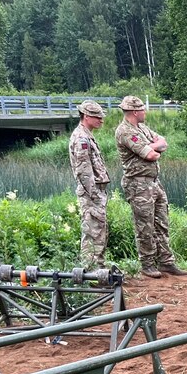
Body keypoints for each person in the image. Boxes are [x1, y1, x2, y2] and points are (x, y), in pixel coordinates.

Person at [115, 95, 187, 278]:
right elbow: (151, 155)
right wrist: (153, 148)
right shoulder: (125, 131)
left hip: (154, 182)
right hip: (138, 183)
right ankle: (147, 264)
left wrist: (152, 146)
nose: (145, 112)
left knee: (161, 222)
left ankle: (166, 262)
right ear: (135, 111)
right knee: (144, 225)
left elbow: (163, 142)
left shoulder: (142, 128)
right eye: (143, 109)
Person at [68, 100, 110, 269]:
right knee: (92, 232)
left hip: (95, 192)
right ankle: (90, 272)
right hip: (91, 194)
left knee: (98, 231)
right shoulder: (81, 139)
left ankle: (97, 270)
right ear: (86, 116)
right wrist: (94, 195)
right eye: (97, 117)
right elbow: (83, 171)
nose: (101, 120)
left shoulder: (87, 136)